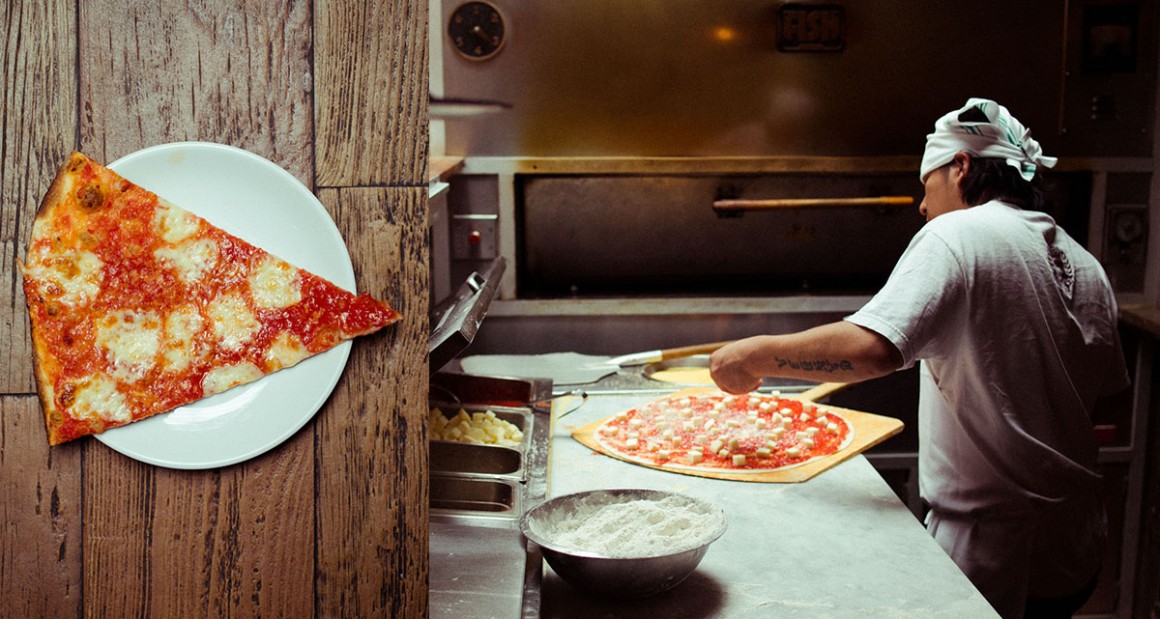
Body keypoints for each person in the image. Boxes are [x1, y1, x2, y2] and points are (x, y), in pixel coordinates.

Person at [709, 98, 1130, 619]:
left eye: (926, 184)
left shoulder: (959, 235)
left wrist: (756, 355)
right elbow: (1100, 391)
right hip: (1075, 546)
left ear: (962, 165)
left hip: (996, 552)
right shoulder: (1084, 262)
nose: (922, 206)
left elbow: (875, 350)